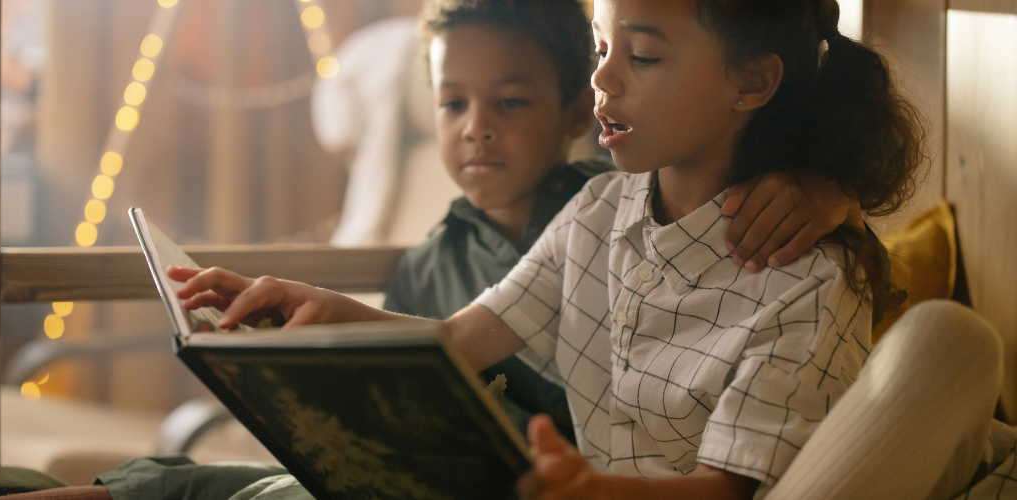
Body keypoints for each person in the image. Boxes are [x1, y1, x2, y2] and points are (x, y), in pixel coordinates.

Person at [168, 0, 944, 498]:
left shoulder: (808, 275)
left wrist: (590, 487)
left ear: (752, 82)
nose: (601, 79)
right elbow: (455, 341)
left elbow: (727, 491)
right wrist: (313, 307)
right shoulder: (599, 208)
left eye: (640, 56)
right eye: (603, 45)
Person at [381, 0, 864, 444]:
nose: (476, 128)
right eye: (452, 104)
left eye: (510, 101)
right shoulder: (429, 268)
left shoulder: (616, 196)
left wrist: (834, 193)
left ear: (573, 115)